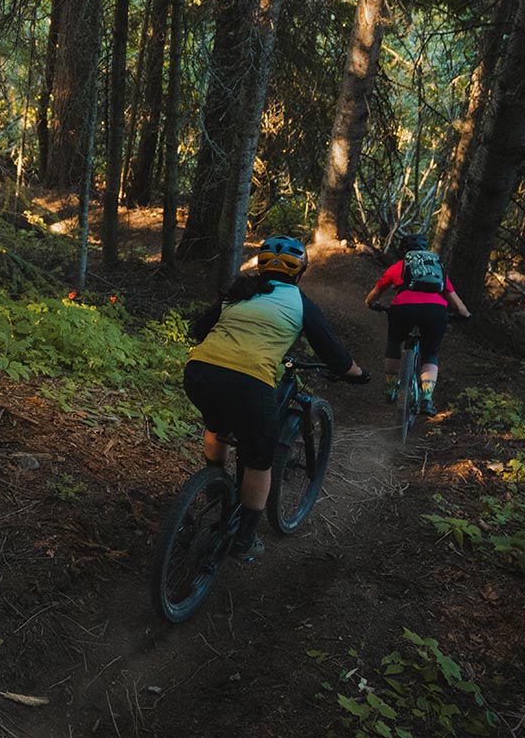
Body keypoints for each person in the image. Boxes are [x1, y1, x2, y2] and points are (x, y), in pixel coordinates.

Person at [183, 235, 370, 562]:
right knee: (260, 460)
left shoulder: (238, 292)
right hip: (250, 383)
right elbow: (333, 353)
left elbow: (198, 331)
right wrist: (356, 373)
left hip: (199, 374)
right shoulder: (299, 302)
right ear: (300, 272)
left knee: (217, 423)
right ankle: (243, 541)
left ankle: (214, 483)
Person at [362, 233, 473, 415]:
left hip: (403, 309)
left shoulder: (397, 267)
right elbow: (454, 300)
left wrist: (370, 304)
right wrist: (465, 314)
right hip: (435, 311)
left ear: (403, 250)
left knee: (394, 344)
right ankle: (427, 400)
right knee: (430, 353)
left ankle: (390, 390)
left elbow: (375, 293)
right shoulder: (435, 268)